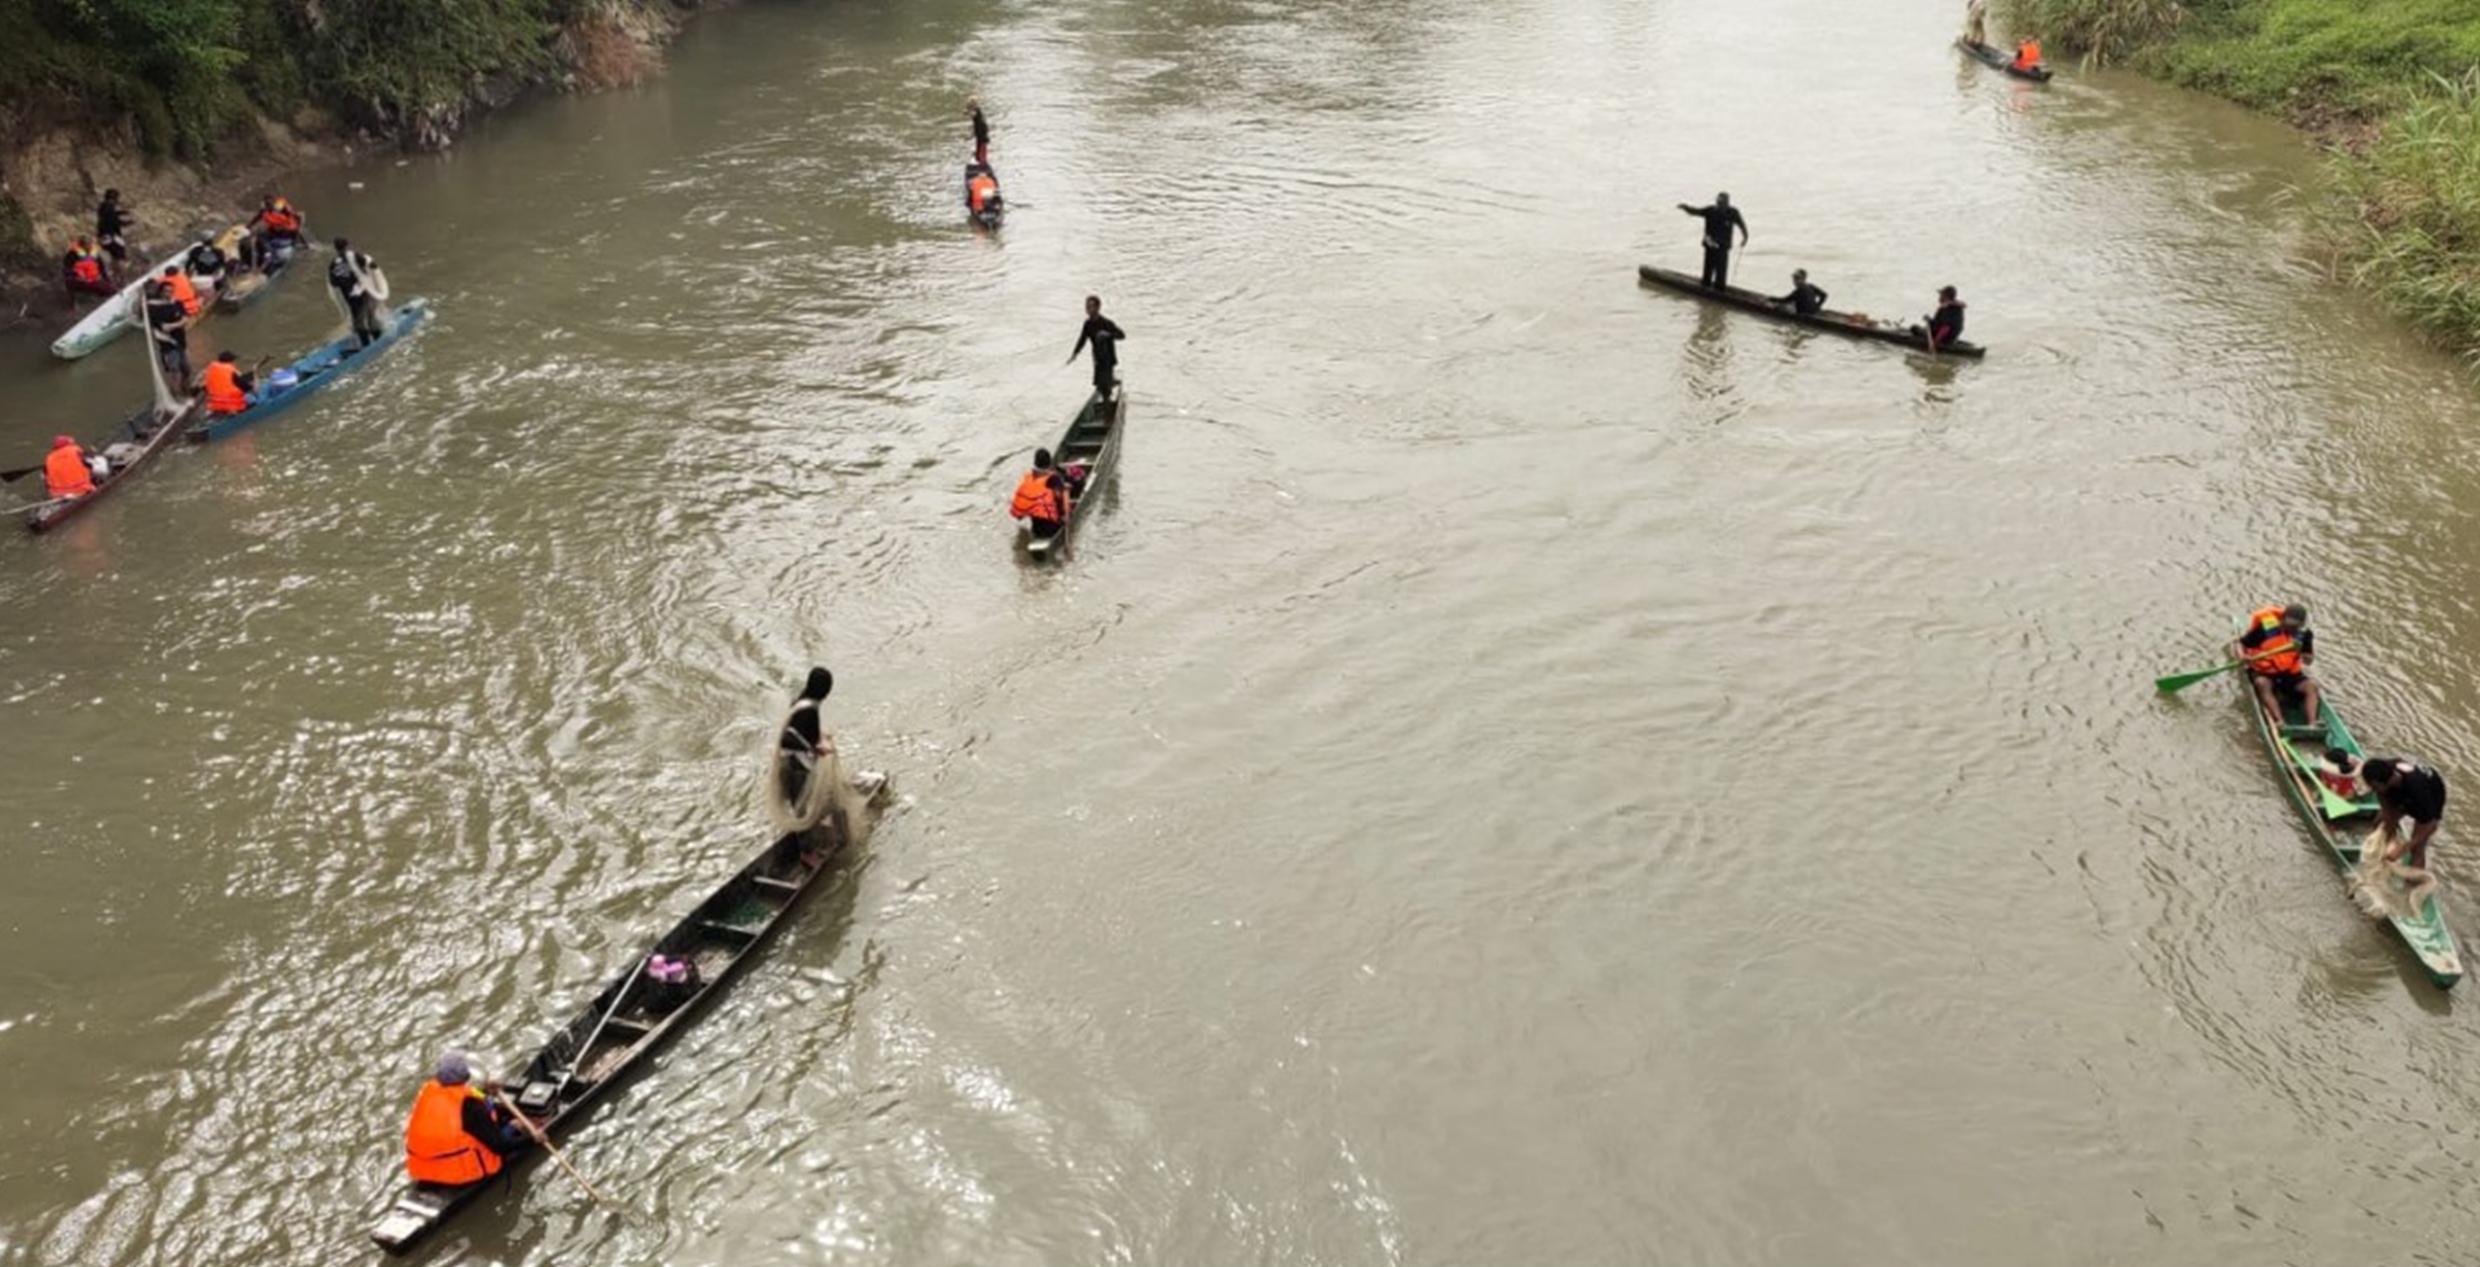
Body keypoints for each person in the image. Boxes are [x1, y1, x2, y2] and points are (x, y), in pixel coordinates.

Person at [402, 1050, 527, 1186]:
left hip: (423, 1170)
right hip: (459, 1173)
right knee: (514, 1126)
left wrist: (485, 1091)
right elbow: (501, 1147)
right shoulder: (471, 1107)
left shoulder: (428, 1092)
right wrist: (528, 1137)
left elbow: (466, 1097)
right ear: (465, 1076)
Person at [2229, 602, 2319, 728]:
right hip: (2266, 672)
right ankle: (2280, 721)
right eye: (2290, 625)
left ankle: (2312, 724)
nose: (2292, 630)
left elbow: (2308, 660)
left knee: (2312, 686)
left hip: (2289, 675)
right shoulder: (2265, 629)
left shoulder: (2305, 635)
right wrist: (2242, 656)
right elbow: (2240, 644)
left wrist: (2306, 657)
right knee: (2262, 684)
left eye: (2296, 627)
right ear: (2282, 620)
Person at [1675, 193, 1749, 289]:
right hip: (1710, 244)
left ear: (1727, 203)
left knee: (1721, 274)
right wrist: (1685, 207)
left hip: (1723, 246)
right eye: (1718, 203)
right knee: (1708, 272)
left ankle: (1719, 290)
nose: (1719, 205)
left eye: (1722, 203)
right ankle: (1706, 286)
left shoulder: (1733, 213)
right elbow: (1695, 211)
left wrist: (1745, 237)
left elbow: (1741, 225)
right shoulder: (1710, 211)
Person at [328, 238, 385, 348]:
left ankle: (365, 344)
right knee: (370, 314)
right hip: (363, 290)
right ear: (347, 246)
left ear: (335, 248)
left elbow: (333, 283)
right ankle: (377, 340)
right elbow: (371, 264)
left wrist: (345, 281)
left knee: (357, 319)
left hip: (350, 297)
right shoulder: (354, 256)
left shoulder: (333, 264)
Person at [1068, 296, 1125, 399]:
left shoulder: (1106, 323)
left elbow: (1122, 335)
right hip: (1097, 358)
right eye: (1087, 307)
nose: (1088, 309)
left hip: (1108, 358)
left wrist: (1107, 334)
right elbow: (1082, 340)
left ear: (1098, 308)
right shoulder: (1087, 324)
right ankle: (1105, 396)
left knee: (1106, 386)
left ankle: (1107, 406)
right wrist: (1074, 354)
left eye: (1091, 307)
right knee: (1099, 384)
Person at [1010, 448, 1070, 540]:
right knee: (1066, 491)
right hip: (1052, 528)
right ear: (1049, 463)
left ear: (1035, 462)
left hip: (1036, 529)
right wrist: (1064, 516)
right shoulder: (1054, 479)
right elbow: (1059, 500)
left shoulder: (1029, 477)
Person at [142, 278, 193, 386]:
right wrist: (179, 323)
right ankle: (176, 395)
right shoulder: (153, 307)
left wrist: (176, 324)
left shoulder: (177, 303)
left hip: (180, 341)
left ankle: (185, 389)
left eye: (171, 291)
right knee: (175, 371)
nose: (169, 294)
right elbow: (164, 328)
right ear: (160, 292)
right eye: (166, 291)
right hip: (167, 344)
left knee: (187, 369)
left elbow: (186, 318)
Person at [199, 350, 256, 416]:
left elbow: (205, 387)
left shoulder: (210, 370)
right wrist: (253, 384)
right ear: (230, 361)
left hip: (214, 405)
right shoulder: (231, 371)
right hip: (231, 405)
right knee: (251, 398)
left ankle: (215, 412)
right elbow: (246, 388)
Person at [43, 435, 96, 501]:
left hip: (58, 494)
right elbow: (91, 465)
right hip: (81, 490)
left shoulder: (49, 458)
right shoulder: (76, 450)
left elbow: (45, 479)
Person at [95, 189, 134, 266]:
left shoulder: (103, 206)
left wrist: (121, 213)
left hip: (104, 234)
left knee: (116, 252)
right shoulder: (108, 207)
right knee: (120, 250)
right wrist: (126, 223)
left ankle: (118, 266)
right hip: (110, 235)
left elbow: (111, 216)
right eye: (116, 198)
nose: (117, 201)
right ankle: (121, 266)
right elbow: (113, 220)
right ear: (113, 198)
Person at [1924, 285, 1967, 352]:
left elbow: (1945, 328)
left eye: (1941, 295)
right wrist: (1928, 320)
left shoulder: (1948, 309)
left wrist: (1934, 344)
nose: (1939, 297)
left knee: (1914, 328)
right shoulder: (1954, 307)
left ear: (1946, 296)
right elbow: (1938, 323)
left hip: (1944, 338)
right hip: (1951, 337)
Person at [967, 97, 990, 166]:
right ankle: (980, 162)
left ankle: (982, 165)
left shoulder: (976, 111)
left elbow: (973, 114)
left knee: (982, 151)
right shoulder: (977, 111)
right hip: (979, 134)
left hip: (982, 135)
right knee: (979, 150)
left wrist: (968, 111)